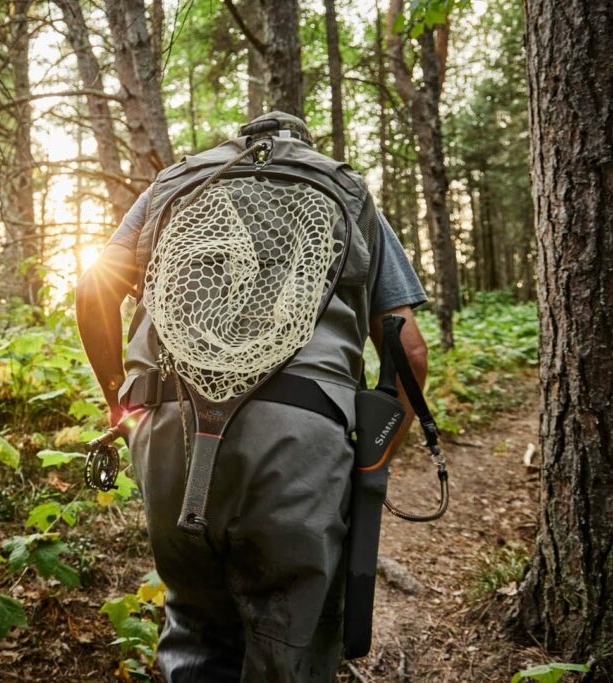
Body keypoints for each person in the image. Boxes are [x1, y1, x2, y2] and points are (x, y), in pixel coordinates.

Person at [76, 111, 429, 682]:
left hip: (168, 426)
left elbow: (95, 287)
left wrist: (119, 401)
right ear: (304, 146)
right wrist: (376, 455)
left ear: (235, 142)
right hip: (302, 438)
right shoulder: (343, 188)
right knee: (290, 646)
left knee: (193, 624)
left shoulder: (177, 183)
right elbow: (408, 350)